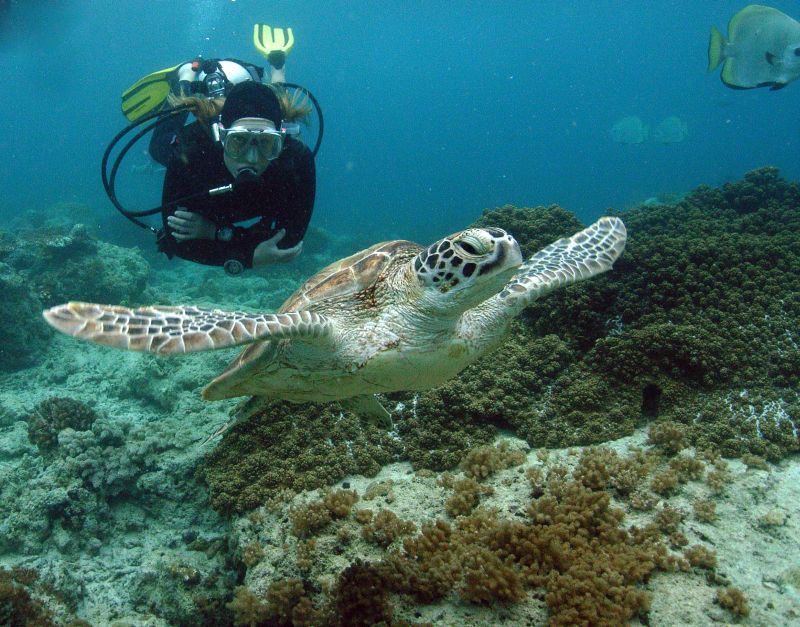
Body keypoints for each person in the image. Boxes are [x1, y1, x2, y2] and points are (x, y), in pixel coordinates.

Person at [158, 81, 315, 275]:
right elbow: (176, 241)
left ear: (280, 141)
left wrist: (216, 232)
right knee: (160, 147)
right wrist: (248, 255)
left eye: (266, 142)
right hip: (201, 152)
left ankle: (272, 79)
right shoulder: (191, 152)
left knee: (269, 95)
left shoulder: (296, 159)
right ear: (222, 137)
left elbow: (289, 242)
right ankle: (185, 80)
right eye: (238, 141)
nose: (252, 158)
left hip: (216, 219)